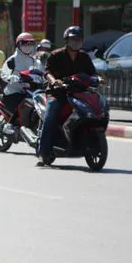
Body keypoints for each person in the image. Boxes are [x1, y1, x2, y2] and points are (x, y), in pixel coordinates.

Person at [37, 26, 98, 166]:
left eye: (78, 39)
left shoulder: (84, 57)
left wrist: (97, 79)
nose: (76, 42)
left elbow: (92, 73)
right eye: (73, 39)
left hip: (79, 93)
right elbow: (47, 73)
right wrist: (54, 81)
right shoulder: (56, 55)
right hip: (58, 93)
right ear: (66, 40)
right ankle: (44, 152)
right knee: (50, 117)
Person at [0, 32, 42, 135]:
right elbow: (3, 74)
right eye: (25, 43)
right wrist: (11, 78)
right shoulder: (12, 60)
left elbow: (40, 73)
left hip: (30, 91)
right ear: (18, 44)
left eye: (30, 43)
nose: (28, 46)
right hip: (13, 92)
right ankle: (9, 124)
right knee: (22, 104)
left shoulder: (35, 61)